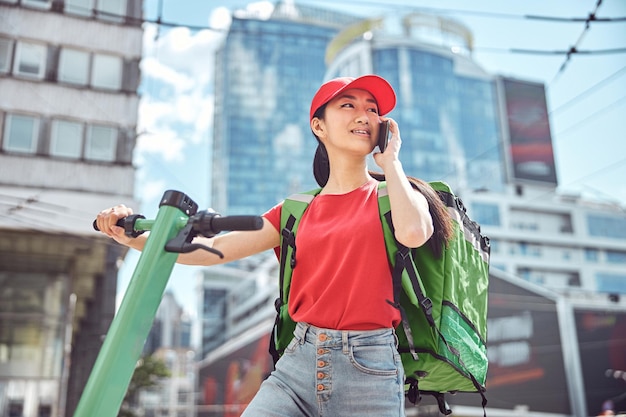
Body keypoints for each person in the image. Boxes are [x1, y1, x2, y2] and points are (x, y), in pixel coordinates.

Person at [96, 74, 452, 416]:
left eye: (373, 109)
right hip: (298, 359)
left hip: (368, 366)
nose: (365, 116)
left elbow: (415, 233)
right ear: (319, 126)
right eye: (348, 105)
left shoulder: (394, 193)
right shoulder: (296, 210)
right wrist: (132, 237)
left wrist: (391, 162)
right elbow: (213, 251)